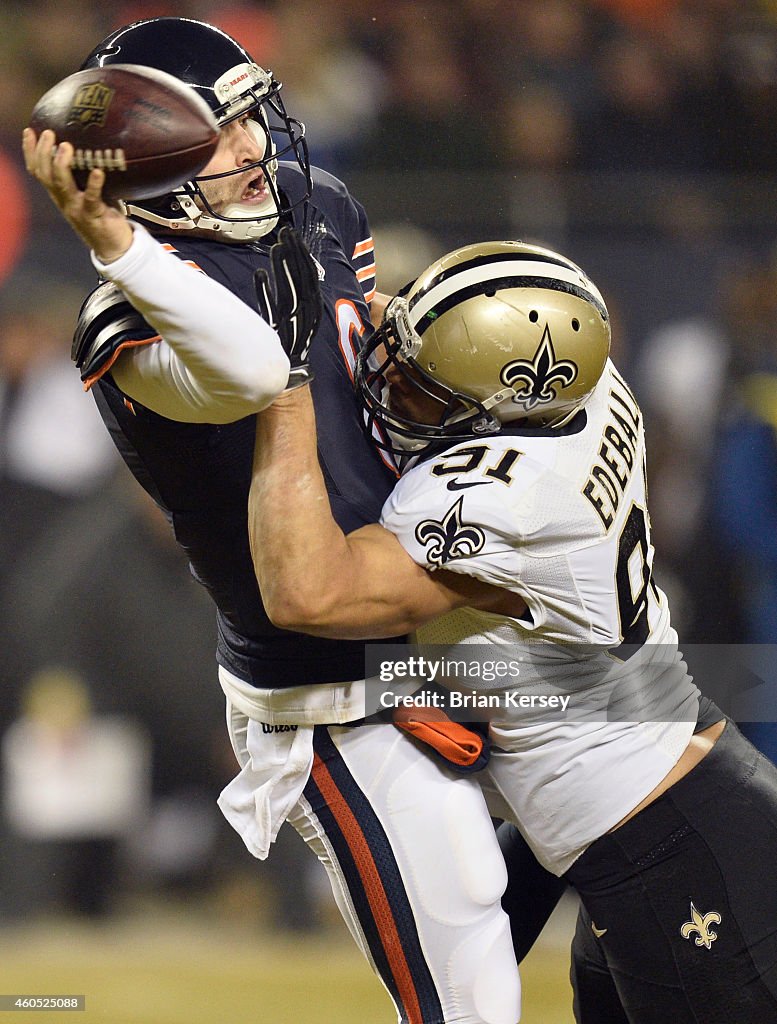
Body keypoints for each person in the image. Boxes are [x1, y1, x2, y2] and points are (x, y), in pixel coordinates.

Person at [22, 18, 526, 1024]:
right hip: (332, 688)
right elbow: (257, 366)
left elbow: (368, 390)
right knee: (468, 978)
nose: (253, 147)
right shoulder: (125, 317)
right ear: (142, 167)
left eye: (252, 116)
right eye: (216, 133)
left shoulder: (315, 202)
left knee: (657, 852)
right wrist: (117, 242)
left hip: (448, 623)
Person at [245, 238, 777, 1023]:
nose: (393, 386)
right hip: (647, 804)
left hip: (670, 850)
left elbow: (305, 594)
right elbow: (442, 328)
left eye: (425, 394)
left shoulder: (508, 495)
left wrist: (280, 388)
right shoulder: (583, 388)